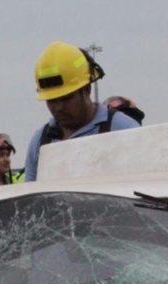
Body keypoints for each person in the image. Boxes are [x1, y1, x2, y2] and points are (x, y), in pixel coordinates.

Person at [23, 41, 141, 181]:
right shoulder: (40, 141)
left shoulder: (124, 129)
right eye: (52, 100)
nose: (58, 107)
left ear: (86, 90)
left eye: (66, 98)